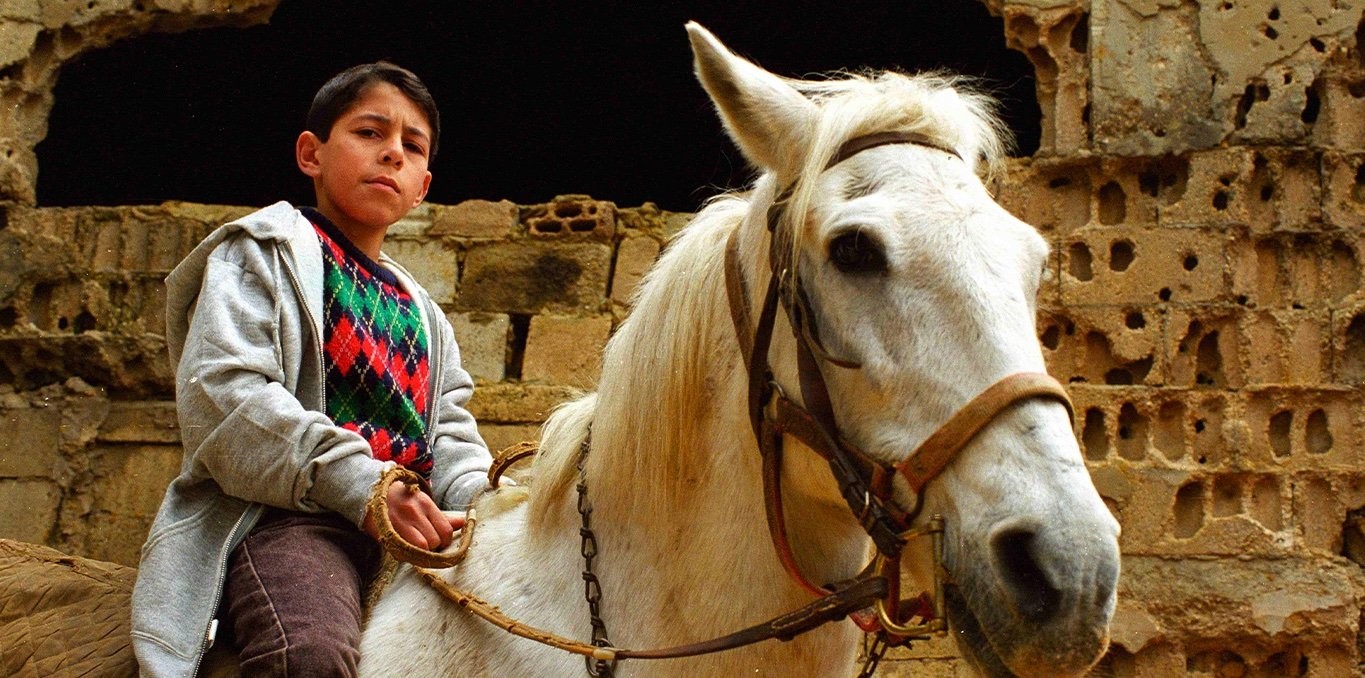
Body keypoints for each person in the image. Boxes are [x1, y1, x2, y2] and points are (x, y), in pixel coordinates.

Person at [130, 61, 492, 677]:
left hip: (416, 534)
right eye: (370, 133)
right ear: (311, 154)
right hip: (295, 521)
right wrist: (369, 487)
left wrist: (490, 503)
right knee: (311, 655)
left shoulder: (426, 316)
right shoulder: (260, 253)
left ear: (424, 184)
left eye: (412, 146)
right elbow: (228, 396)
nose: (392, 155)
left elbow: (452, 434)